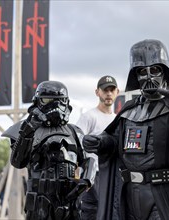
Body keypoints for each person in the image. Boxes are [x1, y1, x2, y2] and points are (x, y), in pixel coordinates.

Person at [83, 39, 169, 220]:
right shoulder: (129, 109)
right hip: (129, 192)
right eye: (142, 71)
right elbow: (115, 141)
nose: (148, 76)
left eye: (154, 70)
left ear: (164, 71)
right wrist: (101, 142)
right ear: (135, 75)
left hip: (163, 193)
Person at [2, 81, 90, 220]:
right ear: (37, 102)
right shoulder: (25, 129)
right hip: (39, 204)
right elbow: (18, 162)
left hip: (70, 202)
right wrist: (28, 131)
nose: (53, 106)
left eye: (59, 101)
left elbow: (88, 160)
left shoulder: (74, 132)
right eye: (47, 100)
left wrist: (86, 180)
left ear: (66, 102)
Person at [76, 75, 119, 220]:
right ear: (97, 92)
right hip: (93, 177)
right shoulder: (89, 117)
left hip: (113, 175)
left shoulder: (118, 120)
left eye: (112, 90)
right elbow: (76, 145)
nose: (108, 93)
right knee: (92, 214)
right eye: (105, 90)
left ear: (117, 92)